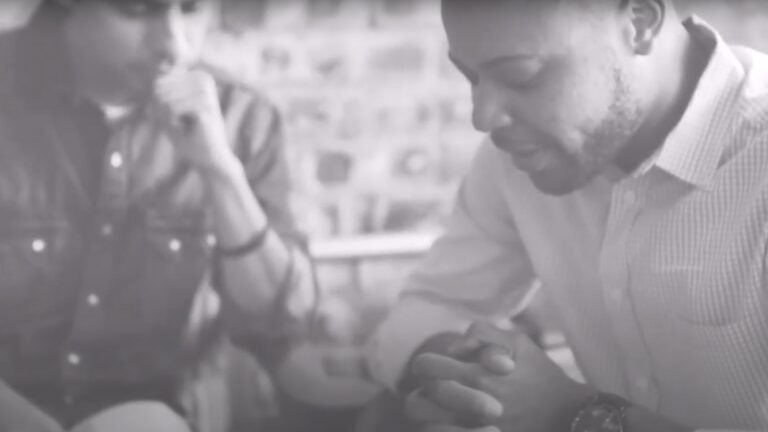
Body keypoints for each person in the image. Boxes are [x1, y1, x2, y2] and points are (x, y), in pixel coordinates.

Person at [360, 0, 768, 431]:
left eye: (520, 76)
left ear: (639, 22)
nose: (482, 117)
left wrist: (568, 413)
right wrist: (474, 372)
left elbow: (556, 411)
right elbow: (428, 308)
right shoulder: (524, 156)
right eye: (471, 77)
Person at [0, 0, 317, 431]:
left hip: (159, 414)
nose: (174, 44)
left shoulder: (243, 118)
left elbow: (278, 328)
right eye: (138, 10)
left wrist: (221, 172)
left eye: (191, 8)